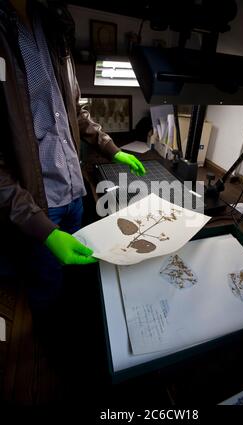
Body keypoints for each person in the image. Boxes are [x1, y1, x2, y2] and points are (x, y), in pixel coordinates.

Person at [0, 0, 145, 316]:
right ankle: (47, 343)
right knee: (46, 284)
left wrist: (112, 148)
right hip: (39, 204)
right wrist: (42, 228)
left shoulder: (52, 24)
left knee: (75, 278)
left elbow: (75, 111)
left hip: (75, 192)